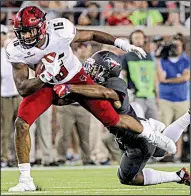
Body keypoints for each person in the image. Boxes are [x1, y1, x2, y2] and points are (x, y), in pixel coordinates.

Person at [6, 6, 173, 192]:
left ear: (43, 27)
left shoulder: (60, 30)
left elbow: (92, 34)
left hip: (76, 77)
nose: (26, 37)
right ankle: (25, 179)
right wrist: (44, 77)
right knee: (21, 124)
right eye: (22, 32)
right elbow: (22, 88)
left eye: (30, 31)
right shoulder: (15, 49)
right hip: (46, 84)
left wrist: (122, 44)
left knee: (114, 119)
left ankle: (149, 132)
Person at [55, 50, 190, 186]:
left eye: (96, 68)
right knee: (162, 151)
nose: (91, 70)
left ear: (107, 71)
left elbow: (106, 93)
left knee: (128, 178)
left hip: (135, 137)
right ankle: (187, 118)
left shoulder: (114, 84)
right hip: (136, 128)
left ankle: (177, 176)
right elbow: (68, 99)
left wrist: (70, 88)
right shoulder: (96, 86)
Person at [156, 35, 190, 162]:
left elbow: (186, 77)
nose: (175, 48)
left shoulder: (185, 60)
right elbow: (160, 77)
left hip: (181, 98)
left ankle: (177, 154)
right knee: (165, 127)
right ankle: (164, 154)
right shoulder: (163, 60)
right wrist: (159, 57)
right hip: (166, 98)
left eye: (178, 46)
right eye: (173, 45)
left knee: (180, 128)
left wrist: (169, 80)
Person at [121, 30, 158, 120]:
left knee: (154, 124)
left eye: (140, 37)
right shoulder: (127, 56)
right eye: (136, 38)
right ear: (131, 41)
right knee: (138, 123)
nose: (138, 40)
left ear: (144, 39)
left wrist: (157, 94)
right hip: (136, 95)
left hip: (150, 96)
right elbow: (123, 75)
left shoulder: (149, 56)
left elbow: (154, 76)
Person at [1, 25, 21, 167]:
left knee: (19, 128)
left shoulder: (17, 52)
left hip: (18, 94)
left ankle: (18, 157)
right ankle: (4, 157)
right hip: (4, 95)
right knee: (6, 129)